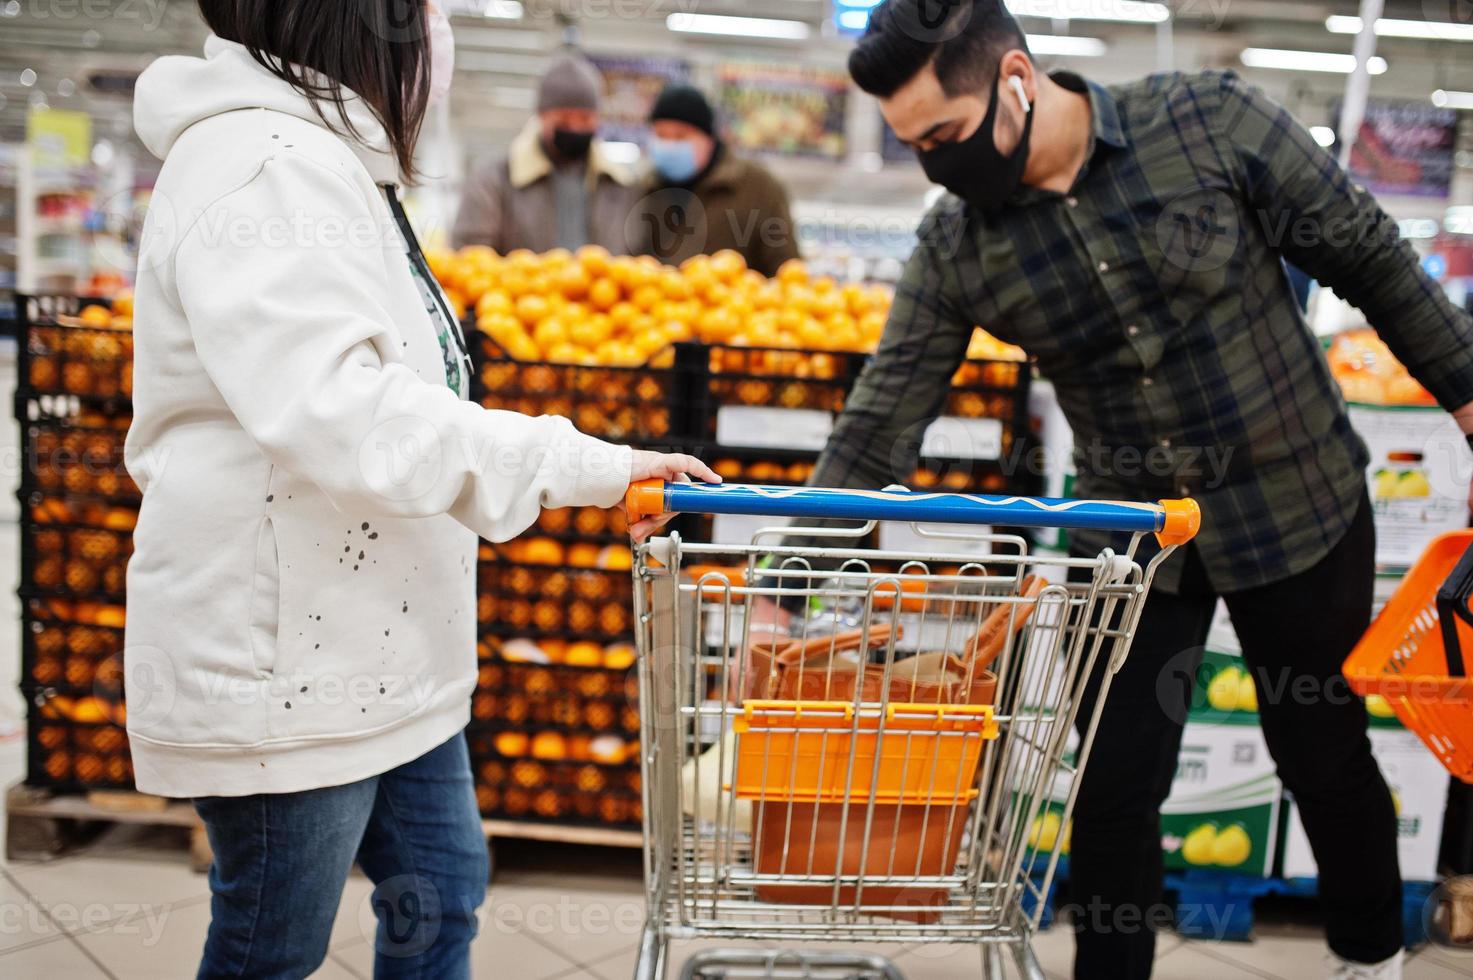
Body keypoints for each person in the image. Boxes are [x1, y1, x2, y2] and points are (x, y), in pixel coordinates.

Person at [794, 2, 1473, 978]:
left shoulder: (1208, 120)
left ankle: (1370, 956)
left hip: (1298, 501)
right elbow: (880, 422)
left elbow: (1371, 256)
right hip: (1133, 535)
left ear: (1017, 81)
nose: (935, 167)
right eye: (913, 149)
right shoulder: (959, 245)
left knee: (1322, 753)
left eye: (942, 137)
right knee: (1111, 791)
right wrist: (783, 587)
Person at [127, 4, 715, 977]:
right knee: (272, 945)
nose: (433, 47)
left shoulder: (328, 159)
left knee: (440, 899)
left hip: (391, 656)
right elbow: (355, 417)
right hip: (287, 662)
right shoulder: (260, 166)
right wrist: (584, 463)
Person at [452, 51, 639, 254]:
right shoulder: (494, 180)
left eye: (585, 118)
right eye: (564, 120)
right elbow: (470, 256)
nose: (575, 128)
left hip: (600, 287)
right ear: (541, 115)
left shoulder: (620, 184)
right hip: (521, 286)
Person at [635, 83, 799, 276]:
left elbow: (786, 270)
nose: (669, 145)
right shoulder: (645, 187)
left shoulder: (758, 187)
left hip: (735, 304)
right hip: (657, 304)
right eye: (661, 135)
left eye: (681, 136)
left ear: (709, 139)